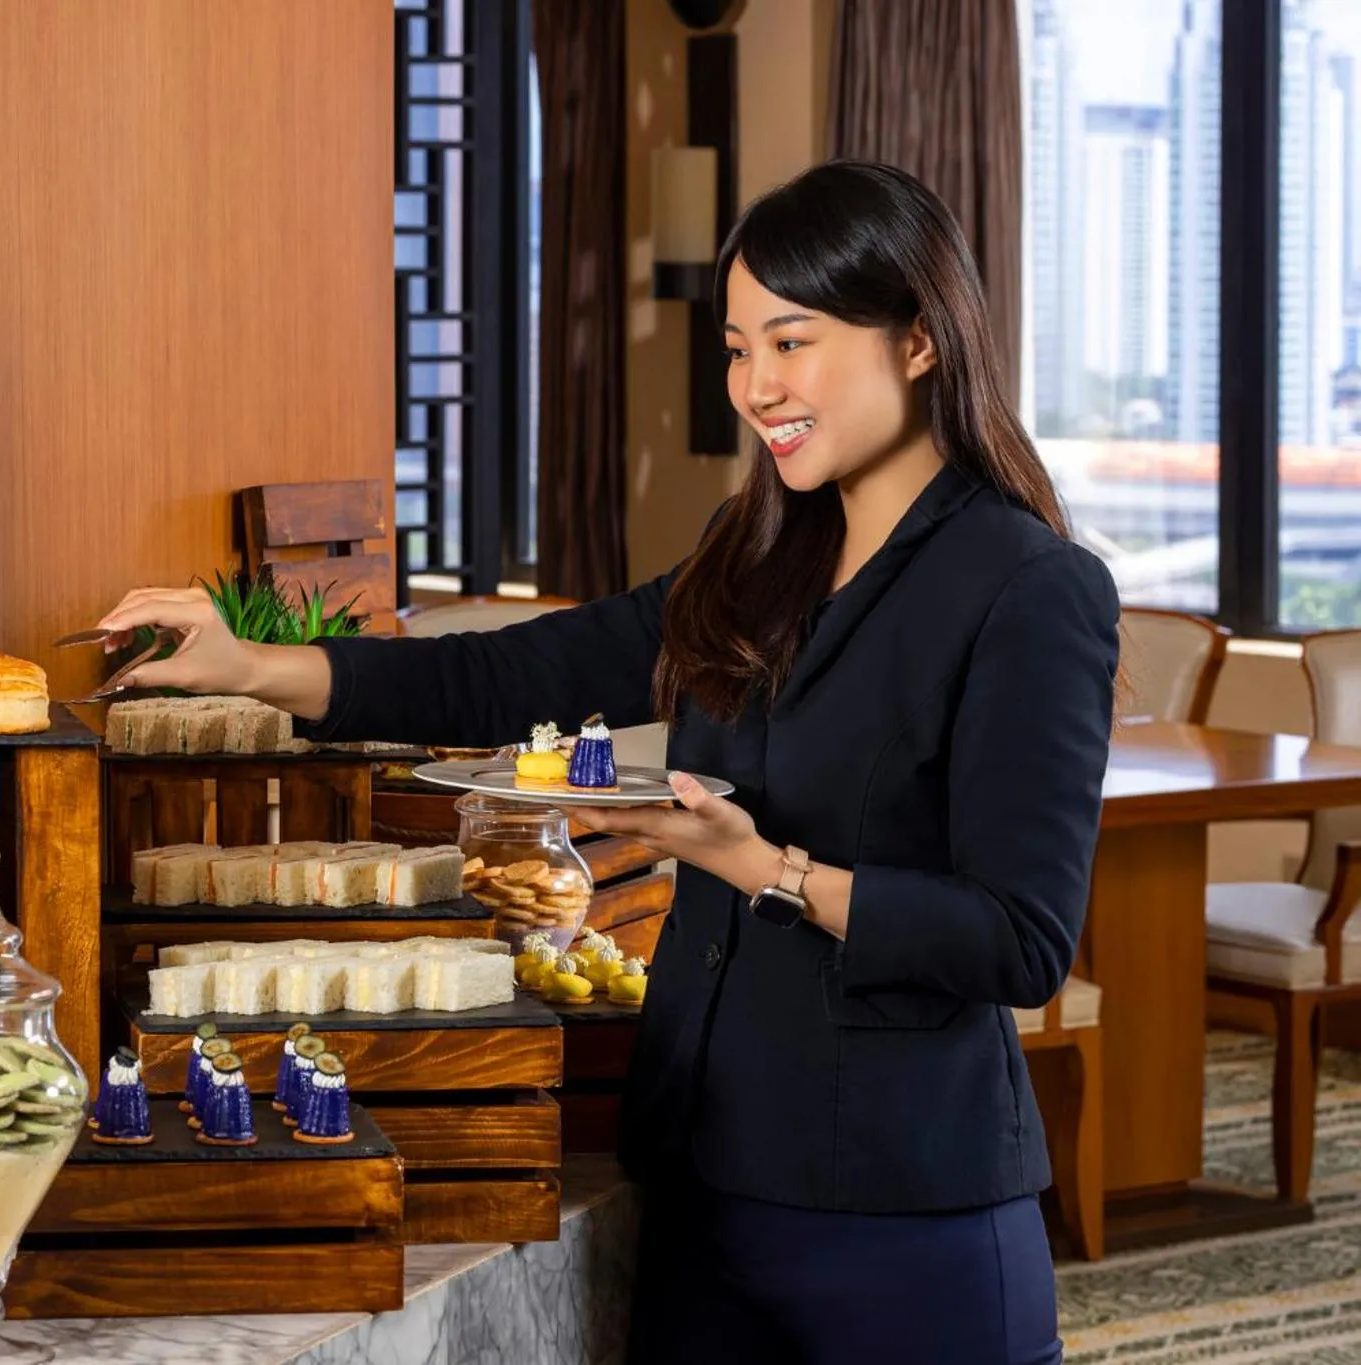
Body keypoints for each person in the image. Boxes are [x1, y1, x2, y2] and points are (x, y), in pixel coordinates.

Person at [95, 160, 1118, 1364]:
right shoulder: (752, 559)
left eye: (790, 342)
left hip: (904, 1210)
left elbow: (1016, 939)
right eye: (738, 350)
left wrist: (764, 870)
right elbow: (508, 674)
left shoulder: (1028, 588)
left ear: (917, 340)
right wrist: (259, 667)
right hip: (703, 1174)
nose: (755, 387)